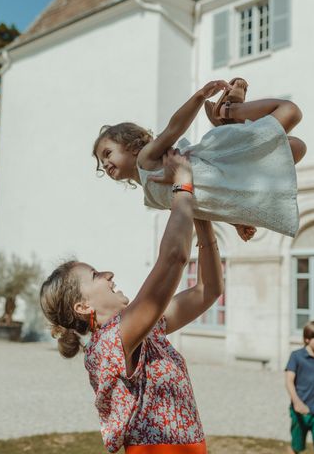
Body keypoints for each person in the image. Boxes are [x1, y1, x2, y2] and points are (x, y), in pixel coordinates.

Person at [40, 150, 222, 453]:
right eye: (97, 274)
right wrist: (183, 186)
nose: (109, 274)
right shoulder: (110, 342)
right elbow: (174, 259)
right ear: (83, 307)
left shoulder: (145, 331)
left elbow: (209, 289)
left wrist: (201, 218)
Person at [93, 79, 306, 240]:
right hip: (231, 181)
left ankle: (227, 110)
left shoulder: (146, 159)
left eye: (107, 154)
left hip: (218, 160)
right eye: (101, 162)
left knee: (290, 111)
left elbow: (174, 128)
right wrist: (236, 223)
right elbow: (204, 205)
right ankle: (231, 122)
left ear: (130, 146)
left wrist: (200, 96)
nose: (104, 164)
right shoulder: (152, 198)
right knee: (296, 148)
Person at [285, 319, 314, 454]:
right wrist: (297, 403)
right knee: (296, 447)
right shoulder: (296, 356)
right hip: (299, 412)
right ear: (307, 339)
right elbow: (289, 382)